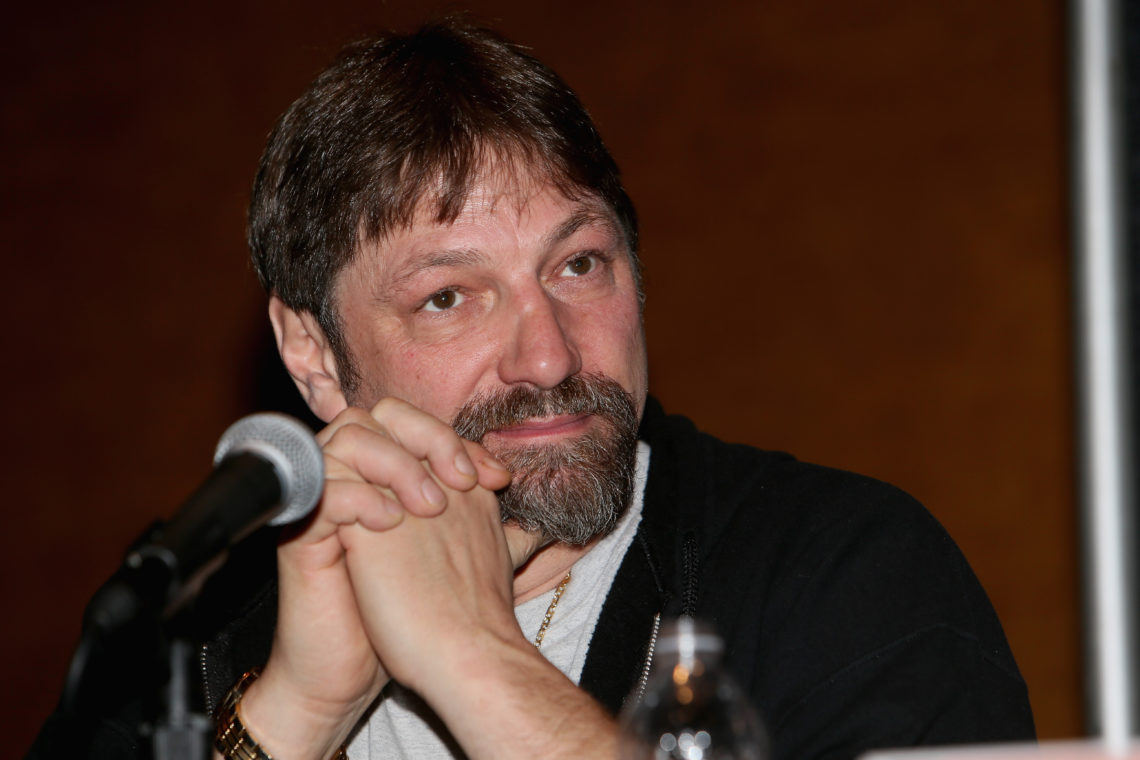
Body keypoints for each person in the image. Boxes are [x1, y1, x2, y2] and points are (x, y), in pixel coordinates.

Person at [31, 17, 1035, 760]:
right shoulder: (186, 649)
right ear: (315, 356)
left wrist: (476, 657)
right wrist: (293, 712)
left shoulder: (841, 573)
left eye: (578, 266)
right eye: (449, 296)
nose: (549, 357)